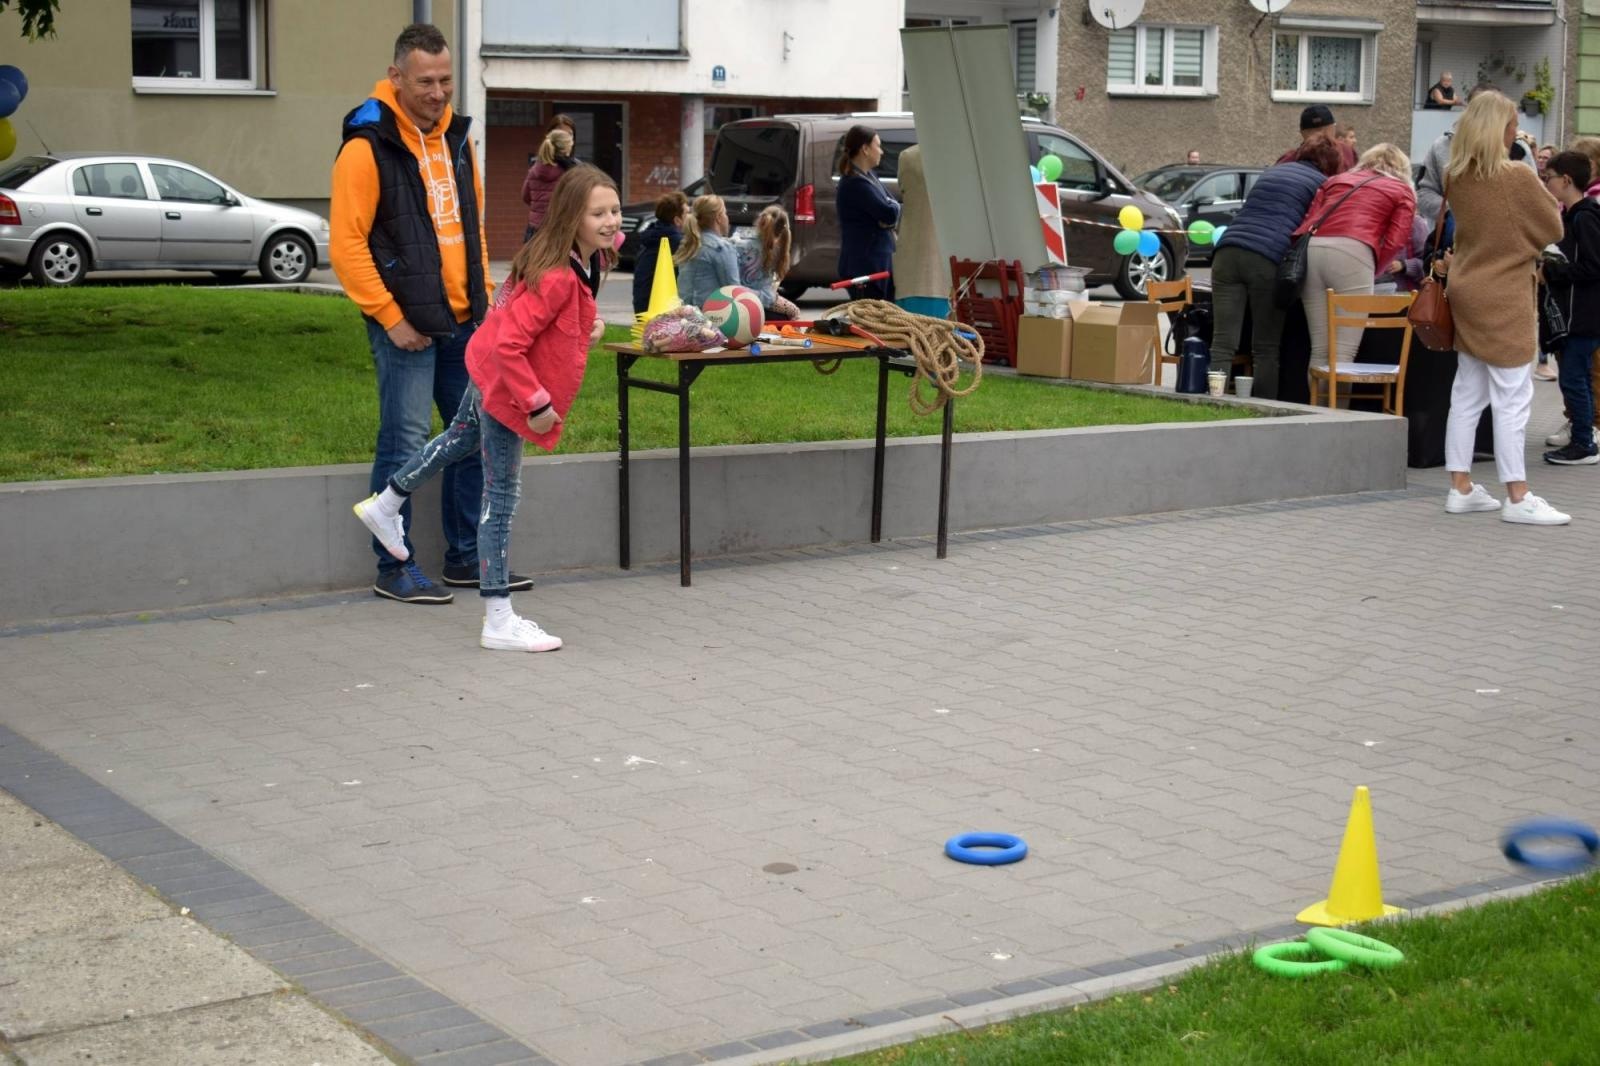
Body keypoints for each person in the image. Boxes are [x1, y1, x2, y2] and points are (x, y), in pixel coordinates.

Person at [354, 165, 620, 651]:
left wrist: (590, 326)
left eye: (614, 210)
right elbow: (510, 345)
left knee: (458, 438)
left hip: (489, 373)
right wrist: (536, 403)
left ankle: (386, 503)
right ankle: (498, 618)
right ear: (571, 216)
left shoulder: (585, 260)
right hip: (506, 386)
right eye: (597, 213)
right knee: (500, 497)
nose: (610, 221)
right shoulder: (557, 274)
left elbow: (543, 322)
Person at [331, 23, 506, 605]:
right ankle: (393, 567)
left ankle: (465, 558)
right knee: (405, 441)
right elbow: (347, 246)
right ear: (396, 77)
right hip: (405, 327)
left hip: (464, 322)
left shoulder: (457, 138)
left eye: (446, 80)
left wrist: (483, 301)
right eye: (425, 81)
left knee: (472, 437)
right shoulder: (367, 146)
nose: (438, 92)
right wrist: (389, 317)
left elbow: (473, 227)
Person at [1438, 91, 1567, 524]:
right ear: (1500, 128)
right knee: (1513, 396)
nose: (1518, 132)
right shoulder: (1514, 174)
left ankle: (1460, 487)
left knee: (1467, 393)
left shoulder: (1455, 173)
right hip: (1503, 293)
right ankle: (1517, 495)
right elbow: (1553, 226)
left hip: (1467, 288)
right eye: (1513, 124)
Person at [1207, 139, 1341, 401]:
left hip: (1227, 251)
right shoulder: (1321, 184)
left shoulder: (1273, 172)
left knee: (1223, 342)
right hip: (1267, 257)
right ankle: (1264, 409)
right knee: (1265, 347)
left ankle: (1213, 402)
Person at [1291, 142, 1416, 379]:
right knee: (1344, 352)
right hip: (1355, 250)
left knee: (1320, 349)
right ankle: (1338, 404)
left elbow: (1310, 219)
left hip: (1313, 249)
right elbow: (1396, 240)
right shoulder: (1402, 190)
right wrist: (1375, 268)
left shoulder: (1335, 181)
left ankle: (1315, 402)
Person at [1538, 150, 1600, 465]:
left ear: (1566, 180)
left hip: (1583, 316)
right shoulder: (1574, 216)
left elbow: (1593, 266)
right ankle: (1583, 438)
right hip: (1579, 315)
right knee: (1578, 378)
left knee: (1574, 379)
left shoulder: (1585, 217)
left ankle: (1583, 443)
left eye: (1548, 178)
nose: (1545, 183)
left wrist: (1553, 271)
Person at [1417, 83, 1536, 227]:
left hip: (1502, 236)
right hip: (1453, 237)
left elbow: (1533, 202)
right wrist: (1452, 212)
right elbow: (1423, 192)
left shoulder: (1518, 150)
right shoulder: (1442, 146)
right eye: (1477, 108)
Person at [836, 124, 900, 301]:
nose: (881, 152)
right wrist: (891, 210)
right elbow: (889, 213)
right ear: (865, 149)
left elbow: (892, 203)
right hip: (866, 267)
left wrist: (891, 208)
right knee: (871, 315)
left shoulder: (869, 176)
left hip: (878, 264)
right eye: (878, 146)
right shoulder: (855, 184)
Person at [891, 144, 949, 319]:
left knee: (911, 329)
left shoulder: (908, 157)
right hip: (947, 273)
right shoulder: (963, 155)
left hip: (912, 266)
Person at [733, 204, 801, 320]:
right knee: (795, 312)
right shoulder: (778, 251)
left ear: (760, 222)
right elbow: (769, 289)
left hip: (739, 298)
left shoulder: (739, 245)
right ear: (783, 231)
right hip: (764, 299)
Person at [672, 194, 739, 307]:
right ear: (718, 217)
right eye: (725, 213)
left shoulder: (688, 244)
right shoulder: (722, 248)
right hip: (711, 315)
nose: (727, 218)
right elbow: (734, 292)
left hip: (684, 312)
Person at [631, 191, 689, 316]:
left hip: (642, 303)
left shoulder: (651, 235)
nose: (690, 217)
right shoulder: (675, 241)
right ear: (677, 220)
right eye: (687, 213)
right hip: (660, 307)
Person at [520, 129, 573, 243]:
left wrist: (539, 207)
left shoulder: (534, 170)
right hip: (559, 228)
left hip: (535, 228)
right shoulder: (568, 172)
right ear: (566, 150)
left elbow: (525, 196)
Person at [1276, 105, 1356, 172]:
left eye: (1322, 131)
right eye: (1316, 131)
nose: (1319, 136)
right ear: (1333, 128)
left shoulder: (1287, 160)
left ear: (1302, 133)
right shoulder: (1347, 152)